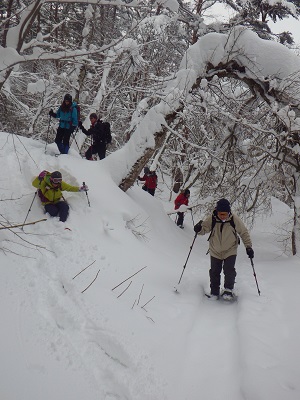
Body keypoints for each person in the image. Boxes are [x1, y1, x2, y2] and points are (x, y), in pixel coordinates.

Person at [194, 198, 254, 300]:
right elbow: (204, 230)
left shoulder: (234, 219)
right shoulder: (212, 219)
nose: (223, 216)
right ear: (217, 212)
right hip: (215, 250)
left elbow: (243, 232)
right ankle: (214, 292)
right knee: (214, 272)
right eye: (221, 214)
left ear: (229, 212)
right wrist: (198, 229)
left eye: (225, 214)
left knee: (229, 270)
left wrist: (248, 247)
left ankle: (228, 290)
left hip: (230, 250)